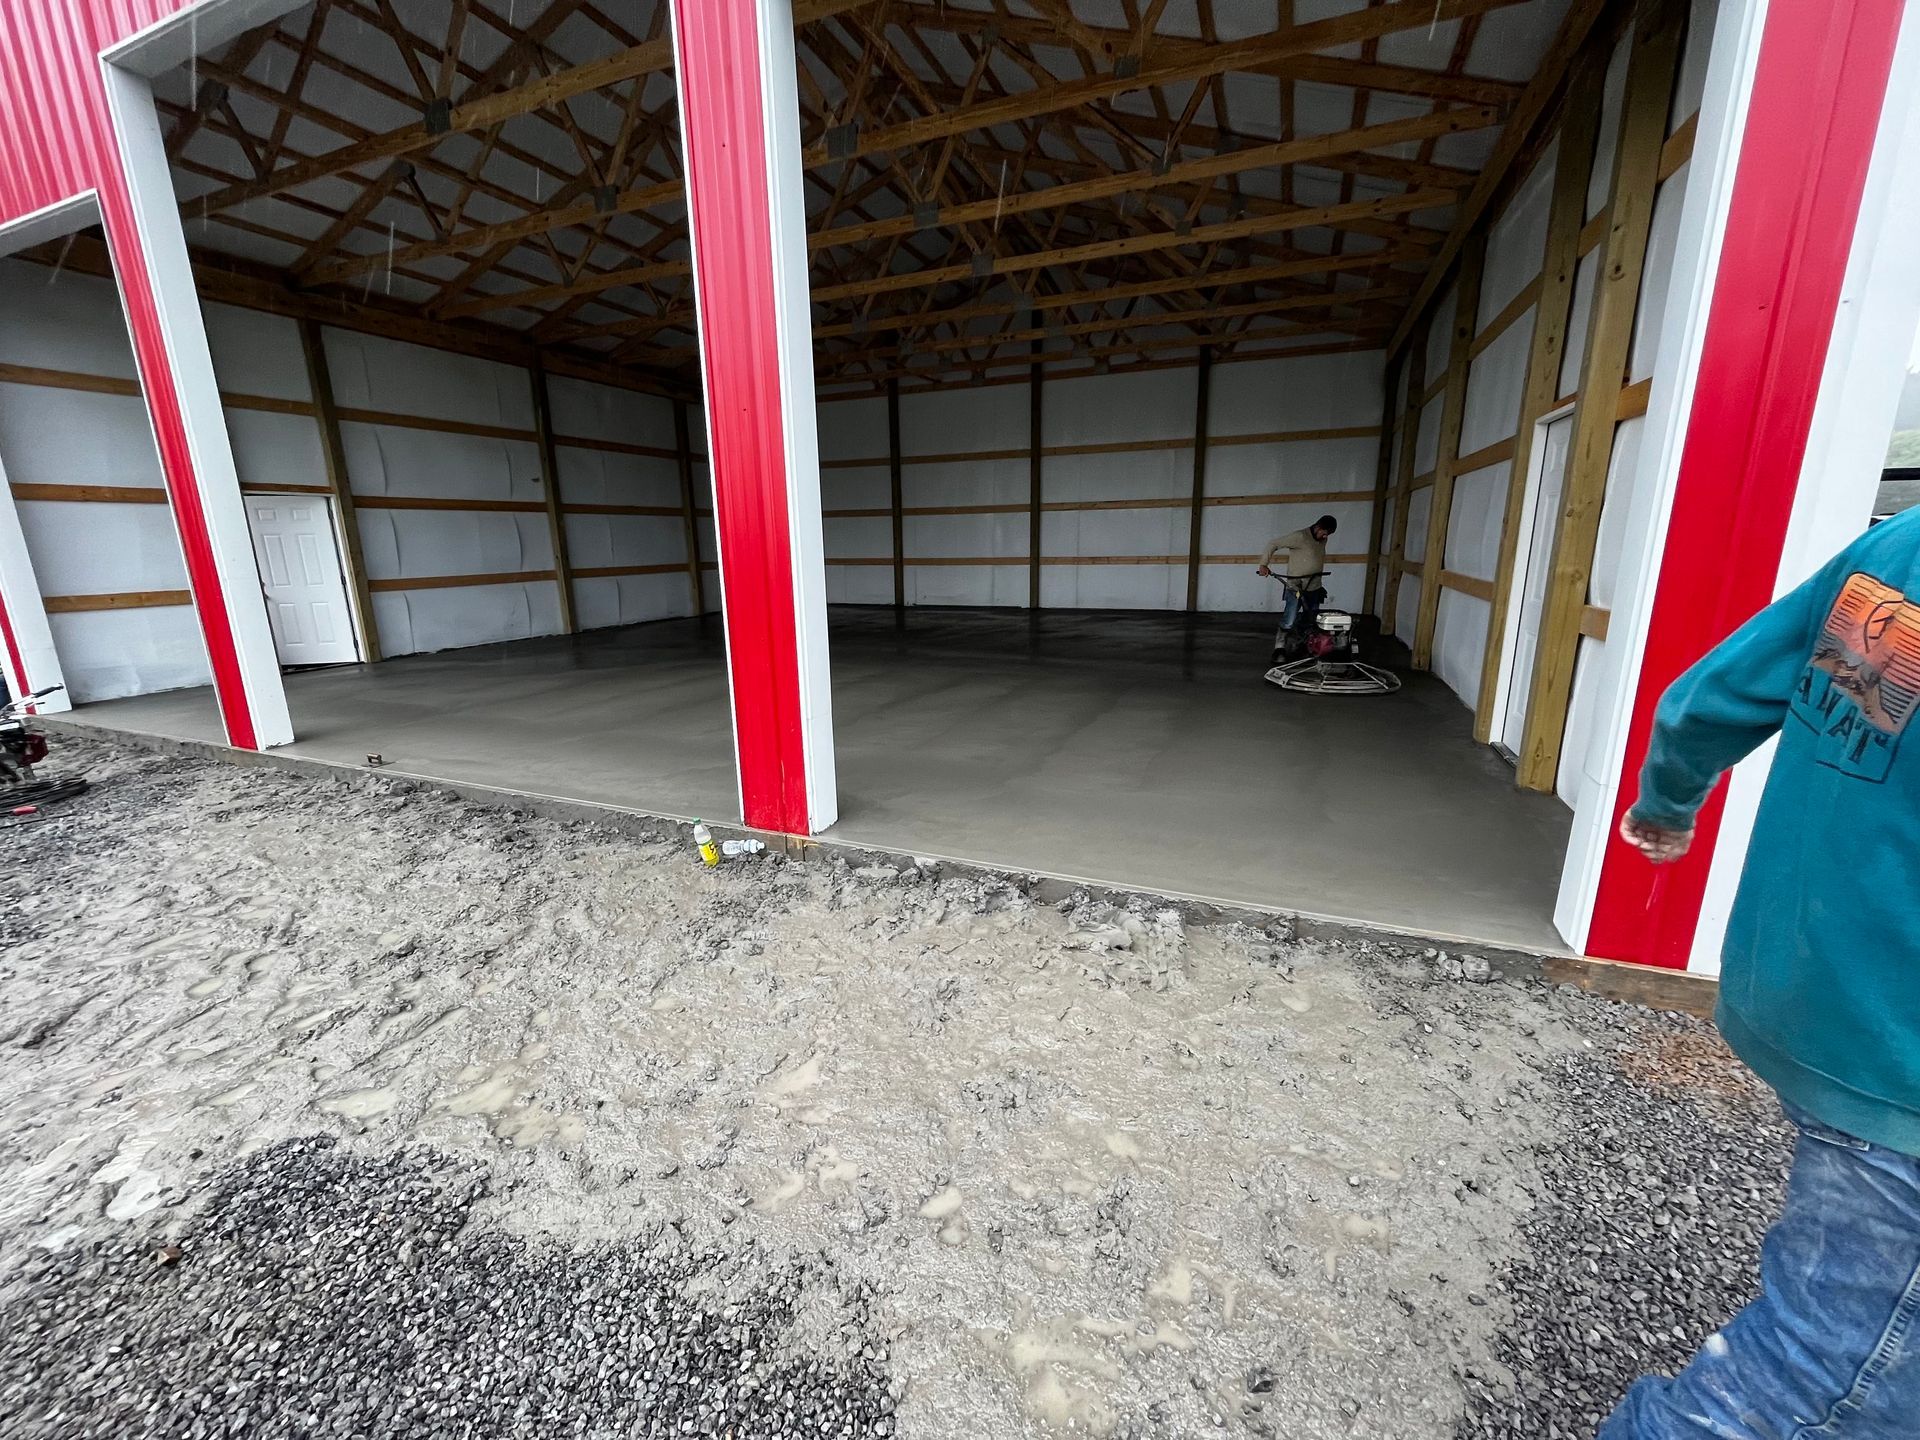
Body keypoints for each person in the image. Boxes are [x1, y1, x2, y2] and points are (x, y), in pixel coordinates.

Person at [1599, 508, 1920, 1439]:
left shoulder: (1891, 546)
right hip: (1900, 1050)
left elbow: (1711, 696)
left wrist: (1667, 801)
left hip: (1807, 988)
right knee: (1817, 1385)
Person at [1257, 514, 1337, 656]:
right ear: (1318, 527)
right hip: (1296, 586)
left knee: (1310, 618)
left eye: (1328, 535)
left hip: (1314, 586)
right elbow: (1273, 544)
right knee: (1289, 618)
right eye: (1324, 533)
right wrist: (1264, 564)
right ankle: (1279, 647)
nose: (1326, 537)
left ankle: (1302, 643)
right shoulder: (1300, 537)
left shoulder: (1322, 539)